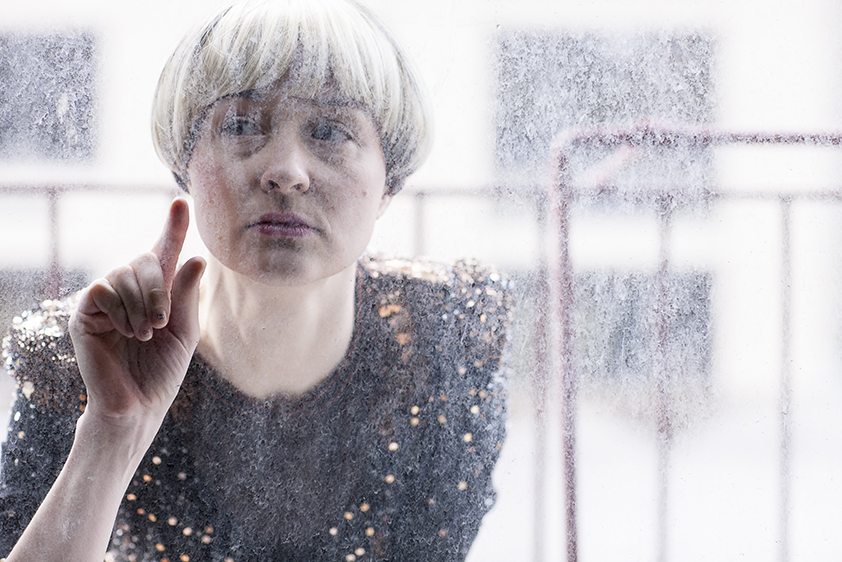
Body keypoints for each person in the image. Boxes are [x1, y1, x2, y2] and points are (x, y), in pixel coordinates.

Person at [0, 1, 511, 561]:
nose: (286, 172)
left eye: (330, 131)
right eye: (241, 126)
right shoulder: (84, 355)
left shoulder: (445, 339)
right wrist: (111, 430)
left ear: (390, 180)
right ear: (185, 164)